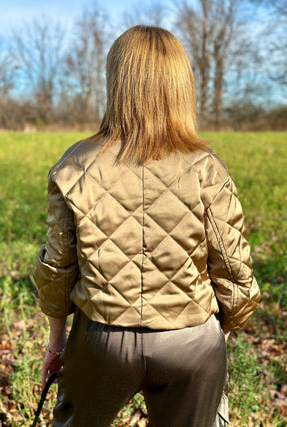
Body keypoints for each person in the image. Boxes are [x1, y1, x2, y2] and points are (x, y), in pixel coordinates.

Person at [35, 26, 261, 427]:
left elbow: (57, 267)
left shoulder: (75, 165)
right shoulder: (208, 168)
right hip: (191, 337)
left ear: (116, 82)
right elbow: (235, 271)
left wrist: (57, 341)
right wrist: (217, 338)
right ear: (181, 85)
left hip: (103, 338)